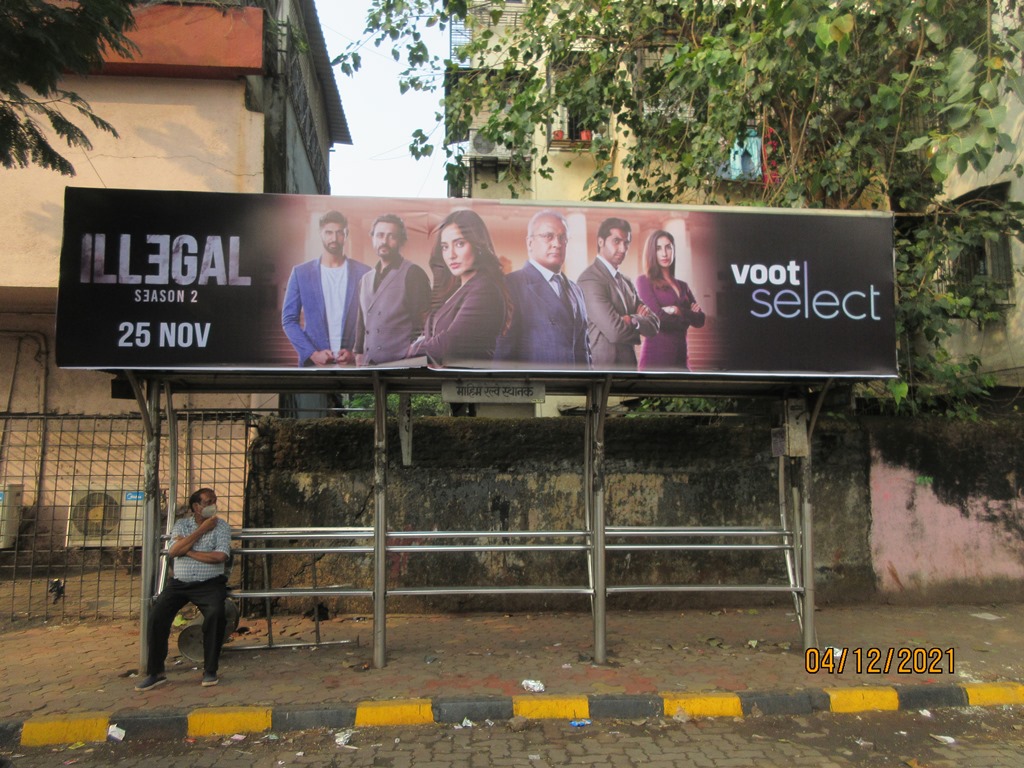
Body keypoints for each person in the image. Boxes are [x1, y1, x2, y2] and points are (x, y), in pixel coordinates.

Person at [134, 488, 231, 691]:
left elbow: (220, 556)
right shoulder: (182, 524)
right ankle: (156, 671)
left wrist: (189, 551)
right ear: (196, 507)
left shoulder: (221, 526)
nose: (213, 505)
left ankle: (210, 670)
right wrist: (201, 531)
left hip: (210, 583)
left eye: (215, 500)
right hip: (179, 583)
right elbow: (173, 551)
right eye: (208, 502)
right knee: (157, 616)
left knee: (215, 614)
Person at [408, 210, 512, 366]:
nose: (451, 255)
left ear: (478, 245)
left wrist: (407, 350)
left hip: (470, 385)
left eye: (459, 244)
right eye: (445, 247)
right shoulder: (455, 289)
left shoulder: (485, 289)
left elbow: (448, 345)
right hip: (449, 382)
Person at [494, 209, 590, 368]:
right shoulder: (510, 286)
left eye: (562, 238)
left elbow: (585, 351)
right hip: (535, 389)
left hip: (575, 389)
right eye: (548, 236)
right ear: (530, 243)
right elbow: (502, 356)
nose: (557, 244)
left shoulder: (576, 290)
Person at [281, 210, 371, 366]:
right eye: (328, 233)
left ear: (346, 234)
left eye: (339, 233)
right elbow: (289, 320)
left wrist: (356, 352)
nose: (334, 238)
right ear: (320, 234)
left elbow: (374, 321)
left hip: (352, 367)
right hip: (315, 367)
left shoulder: (364, 273)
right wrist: (312, 354)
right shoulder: (301, 273)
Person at [577, 217, 659, 369]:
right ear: (601, 242)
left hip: (628, 370)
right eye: (616, 241)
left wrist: (632, 320)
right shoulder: (590, 279)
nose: (622, 249)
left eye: (626, 243)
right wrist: (640, 321)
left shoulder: (627, 282)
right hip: (603, 371)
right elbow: (615, 331)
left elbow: (655, 324)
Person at [354, 214, 431, 366]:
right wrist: (358, 352)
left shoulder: (413, 273)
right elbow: (362, 321)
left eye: (391, 236)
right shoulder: (365, 279)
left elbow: (427, 320)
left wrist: (413, 350)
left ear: (401, 241)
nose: (384, 241)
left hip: (402, 364)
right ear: (373, 238)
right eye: (380, 235)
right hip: (370, 363)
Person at [636, 229, 706, 371]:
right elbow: (658, 319)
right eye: (658, 248)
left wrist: (677, 310)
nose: (664, 253)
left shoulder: (683, 285)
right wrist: (688, 317)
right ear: (651, 252)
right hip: (656, 357)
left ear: (673, 249)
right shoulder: (644, 281)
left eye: (668, 247)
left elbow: (700, 320)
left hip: (681, 357)